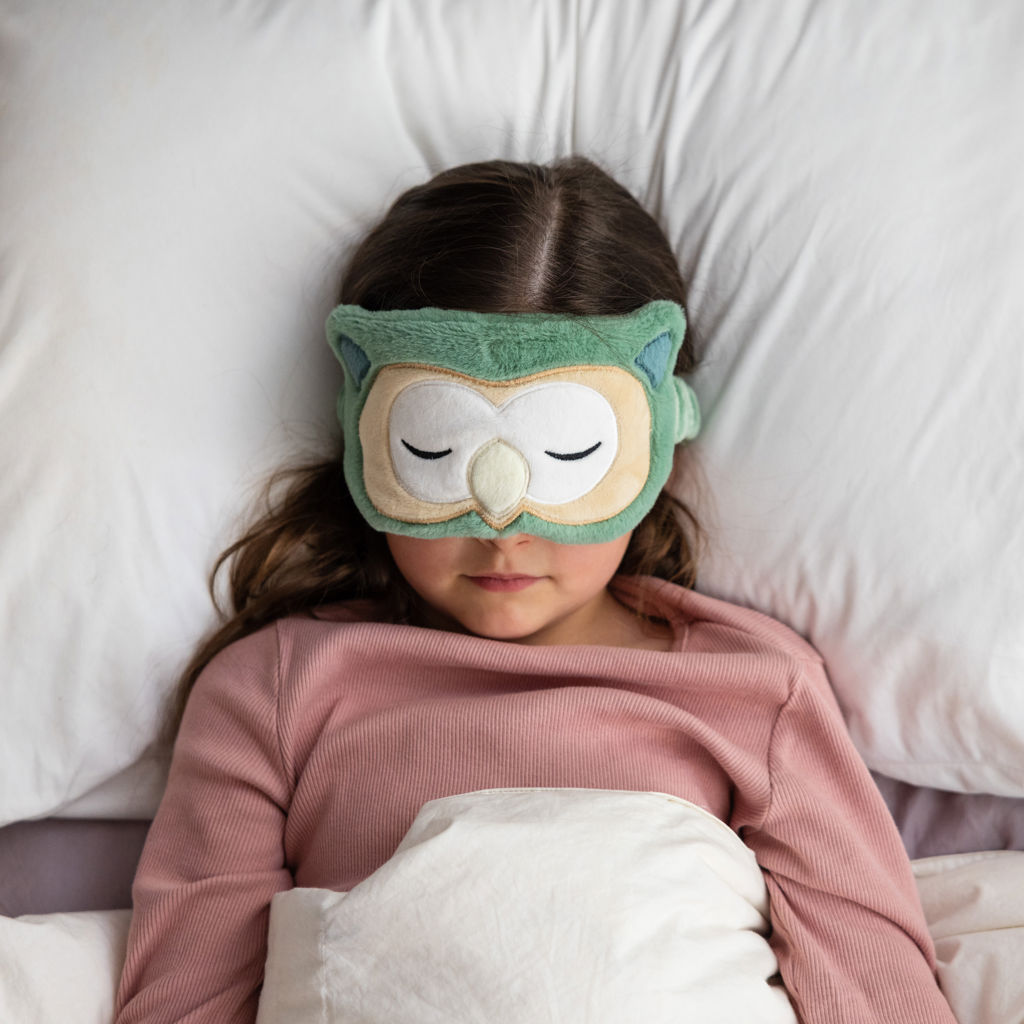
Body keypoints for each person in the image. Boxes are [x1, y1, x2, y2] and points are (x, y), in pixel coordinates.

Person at [114, 157, 955, 1023]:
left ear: (657, 441)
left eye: (569, 456)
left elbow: (876, 988)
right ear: (366, 434)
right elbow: (187, 997)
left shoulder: (756, 690)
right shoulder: (272, 692)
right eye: (434, 452)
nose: (503, 530)